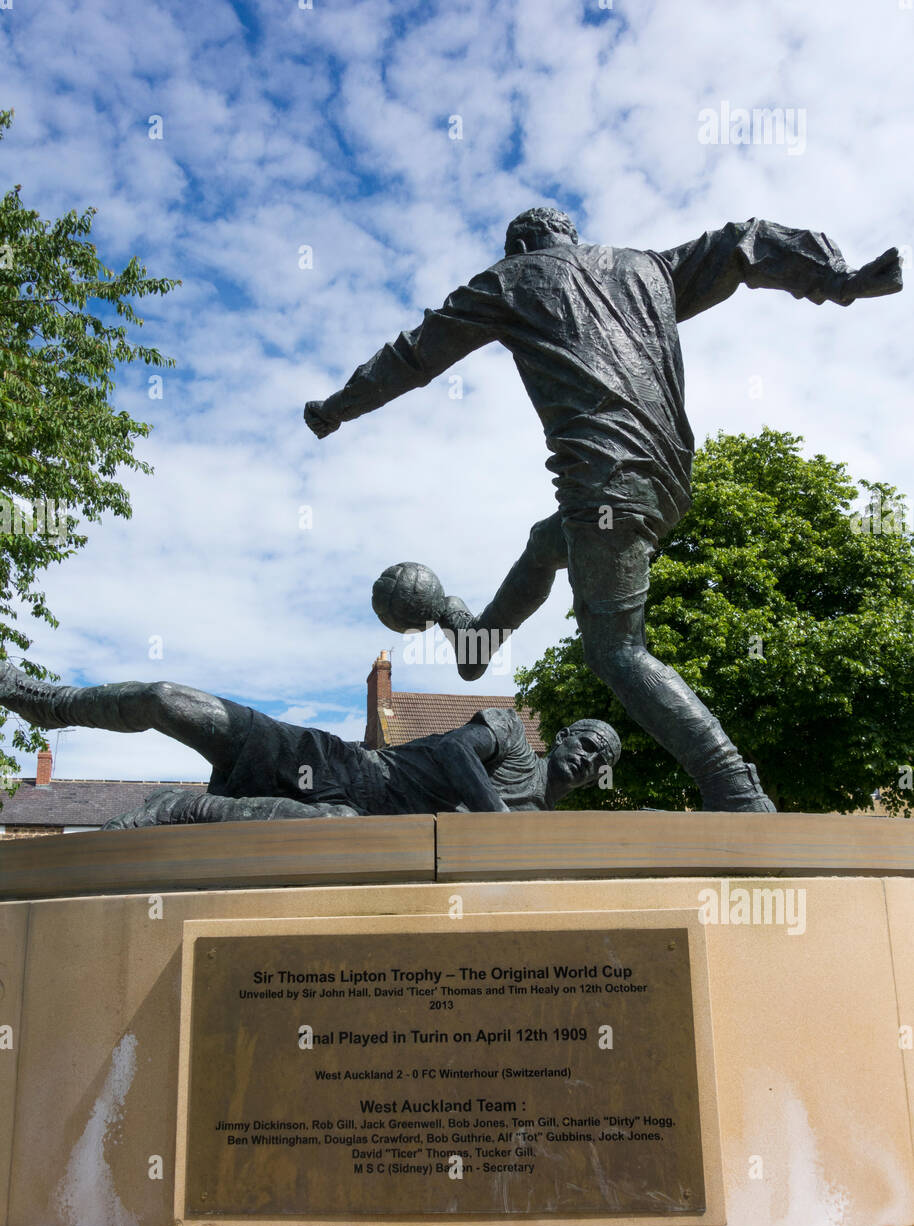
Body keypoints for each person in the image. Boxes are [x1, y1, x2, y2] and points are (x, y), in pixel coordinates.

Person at [304, 209, 902, 811]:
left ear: (520, 245)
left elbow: (413, 356)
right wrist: (839, 279)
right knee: (547, 544)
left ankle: (734, 788)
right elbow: (740, 245)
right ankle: (477, 640)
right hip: (665, 482)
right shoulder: (648, 269)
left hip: (606, 481)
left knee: (615, 650)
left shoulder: (511, 279)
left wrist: (336, 406)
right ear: (571, 236)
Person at [0, 661, 620, 825]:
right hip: (347, 766)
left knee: (266, 826)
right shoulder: (509, 733)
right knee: (167, 699)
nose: (589, 758)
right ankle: (45, 702)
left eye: (601, 761)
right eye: (588, 741)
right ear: (563, 736)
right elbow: (457, 752)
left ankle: (174, 807)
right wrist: (500, 824)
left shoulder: (544, 821)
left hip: (357, 821)